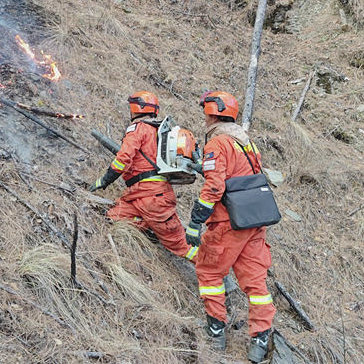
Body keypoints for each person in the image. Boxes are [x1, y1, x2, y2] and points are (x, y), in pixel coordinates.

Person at [184, 91, 275, 363]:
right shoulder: (247, 143)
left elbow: (215, 186)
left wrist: (195, 221)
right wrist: (204, 167)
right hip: (254, 222)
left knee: (209, 271)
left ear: (213, 113)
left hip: (228, 224)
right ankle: (259, 340)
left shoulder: (217, 143)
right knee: (256, 282)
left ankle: (216, 331)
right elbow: (241, 176)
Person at [89, 91, 198, 262]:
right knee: (114, 216)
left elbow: (123, 158)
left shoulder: (138, 129)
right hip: (141, 195)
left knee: (182, 246)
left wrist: (105, 180)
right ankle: (149, 227)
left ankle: (217, 272)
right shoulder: (159, 131)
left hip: (152, 197)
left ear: (135, 108)